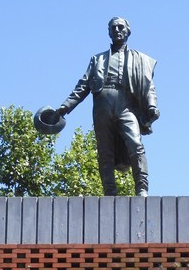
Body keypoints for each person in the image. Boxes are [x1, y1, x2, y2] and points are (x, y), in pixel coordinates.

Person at [55, 17, 159, 196]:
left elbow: (148, 85)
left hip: (126, 105)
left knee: (135, 144)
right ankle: (110, 192)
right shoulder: (97, 60)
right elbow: (82, 86)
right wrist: (65, 108)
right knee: (105, 151)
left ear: (128, 31)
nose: (117, 30)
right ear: (109, 32)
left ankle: (142, 188)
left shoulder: (141, 59)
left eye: (121, 27)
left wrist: (151, 105)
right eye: (113, 28)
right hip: (102, 105)